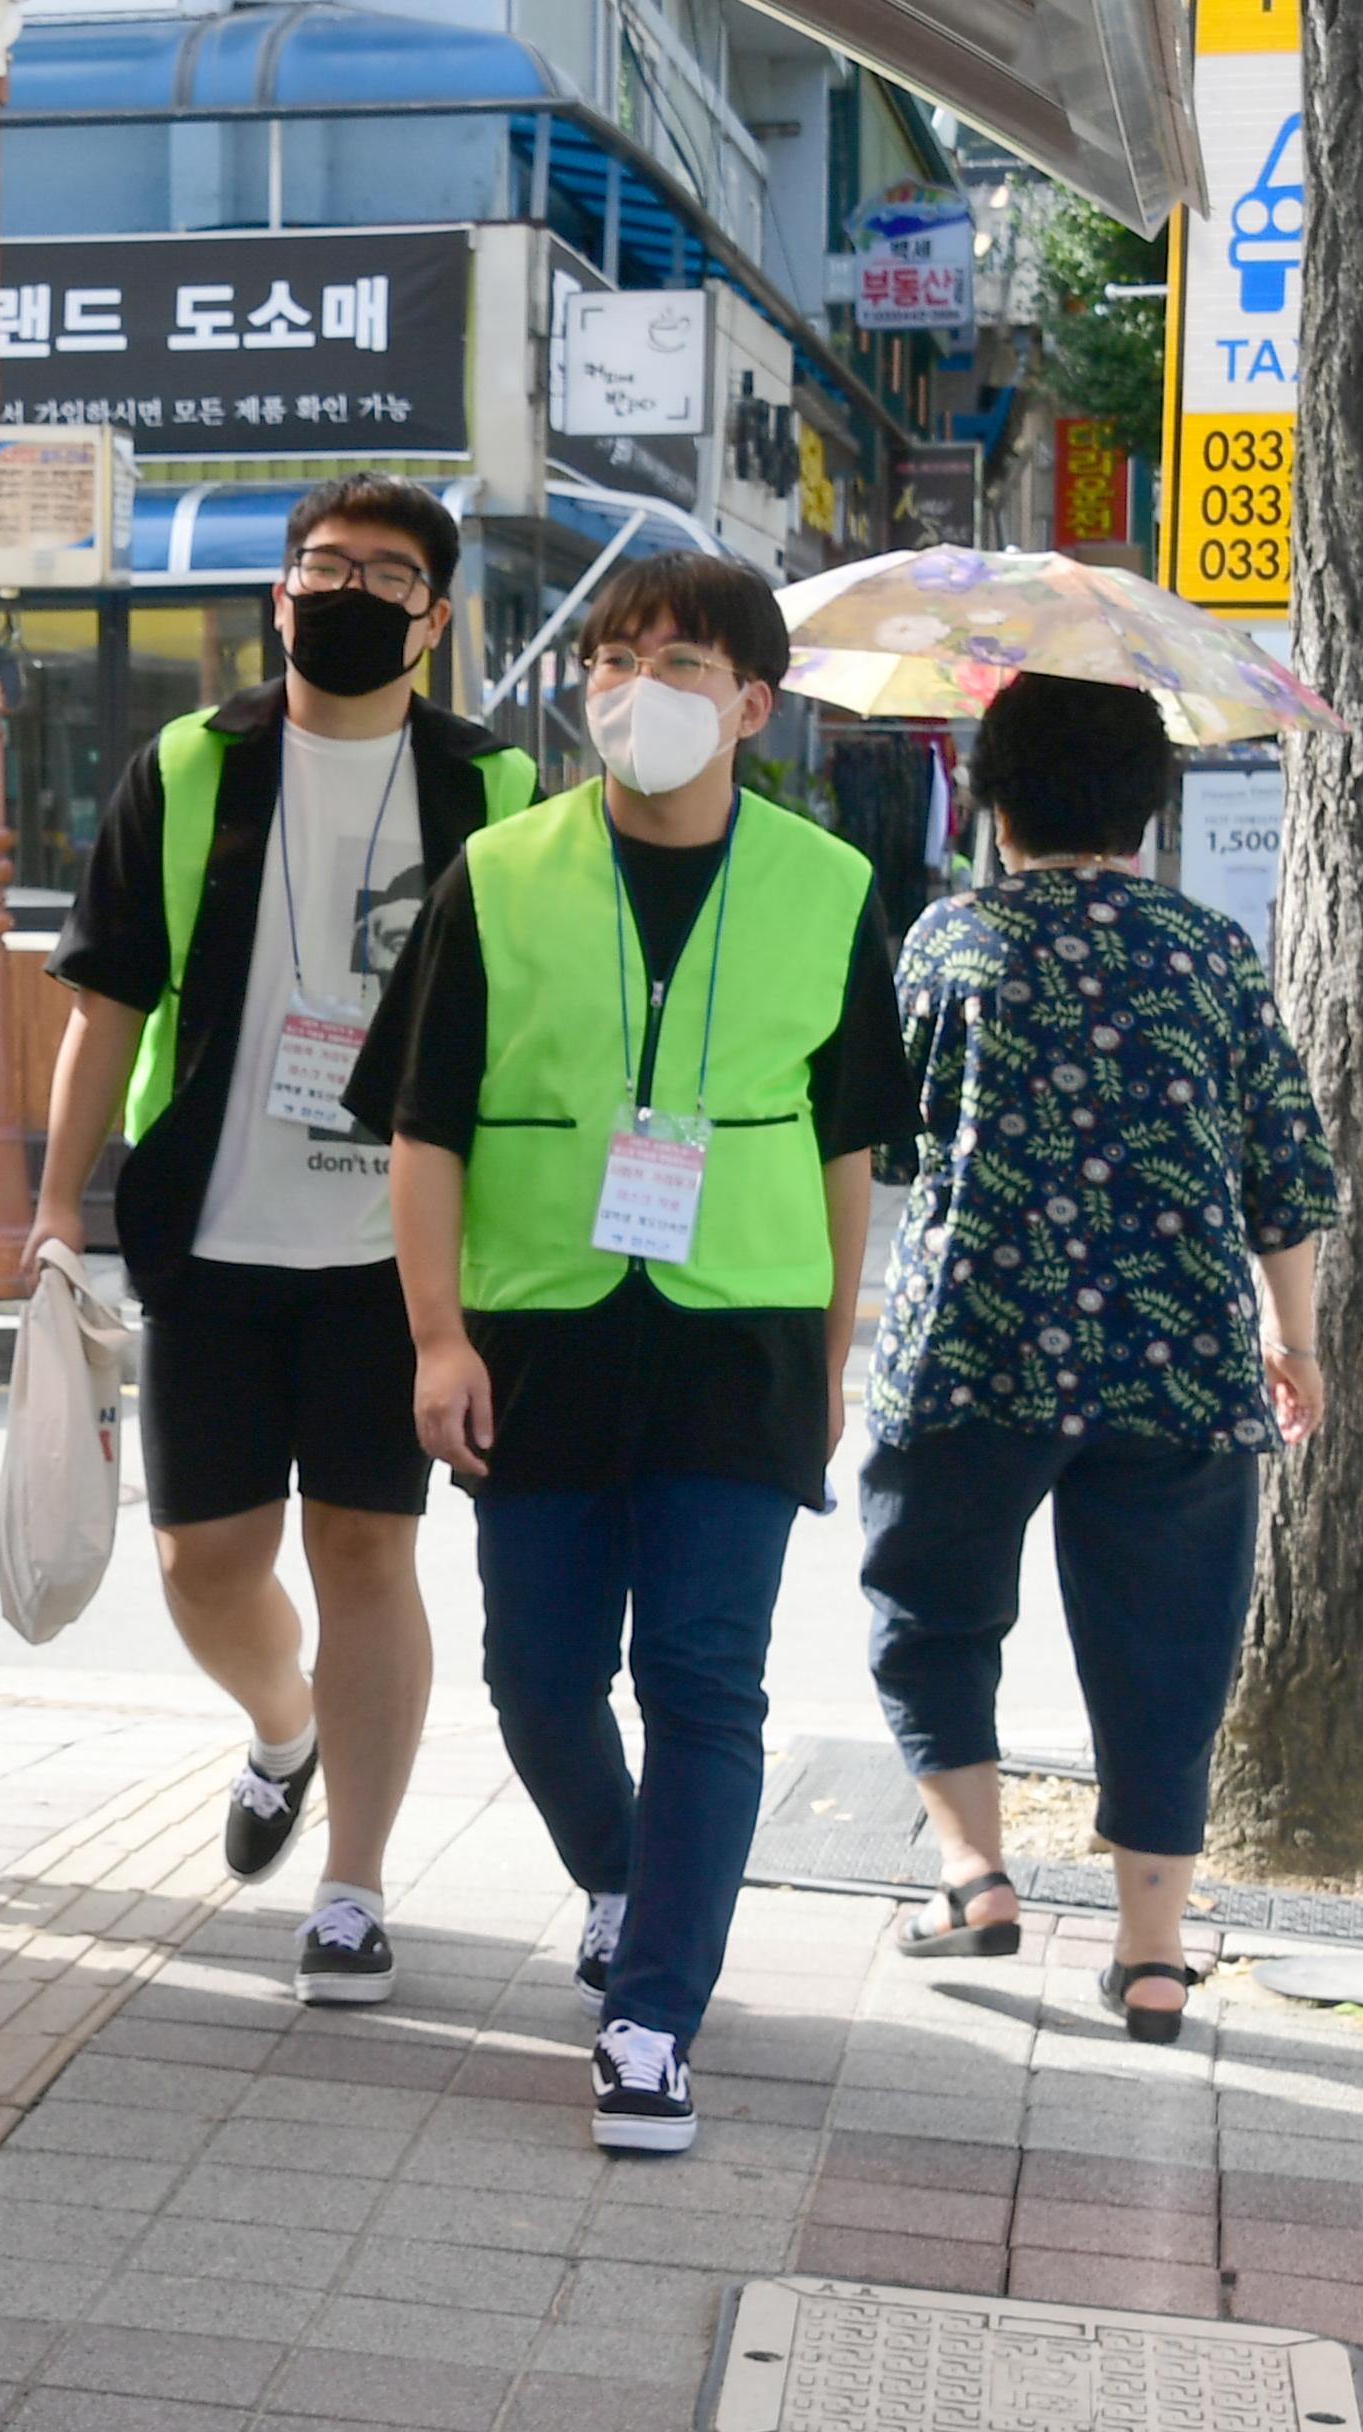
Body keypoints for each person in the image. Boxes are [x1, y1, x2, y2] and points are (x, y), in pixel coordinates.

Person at [351, 553, 910, 2151]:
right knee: (537, 1675)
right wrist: (436, 1334)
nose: (631, 688)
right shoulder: (500, 873)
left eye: (675, 664)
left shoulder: (831, 887)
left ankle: (656, 2014)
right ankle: (622, 1867)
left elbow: (847, 1147)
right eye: (610, 658)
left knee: (702, 1680)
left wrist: (831, 1352)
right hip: (538, 1331)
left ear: (752, 702)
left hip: (740, 1337)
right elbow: (422, 1124)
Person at [36, 474, 539, 2007]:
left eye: (388, 574)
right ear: (278, 593)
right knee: (203, 1560)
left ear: (436, 618)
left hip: (403, 1250)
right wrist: (58, 1207)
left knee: (370, 1550)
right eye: (324, 565)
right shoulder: (193, 765)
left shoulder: (497, 788)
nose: (349, 591)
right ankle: (282, 1726)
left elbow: (526, 1017)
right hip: (218, 1229)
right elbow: (109, 996)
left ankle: (355, 1883)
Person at [854, 674, 1337, 2038]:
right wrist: (1291, 1342)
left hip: (973, 1345)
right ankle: (1152, 1954)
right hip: (1181, 1356)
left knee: (928, 1596)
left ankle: (975, 1875)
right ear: (1149, 807)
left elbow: (889, 1140)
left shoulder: (951, 941)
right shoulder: (1207, 951)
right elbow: (1284, 1173)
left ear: (996, 809)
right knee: (1167, 1649)